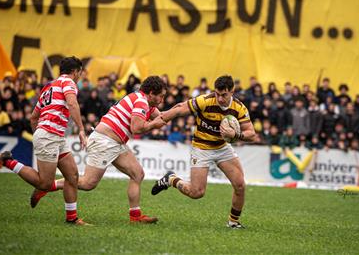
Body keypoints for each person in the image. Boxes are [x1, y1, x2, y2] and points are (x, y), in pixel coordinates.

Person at [30, 76, 167, 224]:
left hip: (114, 143)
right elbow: (137, 128)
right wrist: (154, 125)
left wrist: (187, 108)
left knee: (137, 174)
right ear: (151, 93)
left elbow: (162, 116)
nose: (162, 100)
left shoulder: (143, 101)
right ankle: (47, 186)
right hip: (105, 141)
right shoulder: (141, 101)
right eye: (161, 96)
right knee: (88, 183)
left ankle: (135, 217)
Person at [0, 56, 90, 225]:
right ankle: (8, 162)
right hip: (50, 135)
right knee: (44, 183)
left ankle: (72, 219)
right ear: (74, 71)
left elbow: (34, 117)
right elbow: (72, 104)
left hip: (53, 136)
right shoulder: (69, 83)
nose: (80, 76)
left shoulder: (49, 87)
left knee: (72, 176)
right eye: (80, 72)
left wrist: (39, 136)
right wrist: (81, 129)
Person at [151, 75, 256, 229]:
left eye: (224, 95)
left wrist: (236, 135)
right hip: (201, 147)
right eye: (217, 94)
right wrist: (160, 119)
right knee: (197, 192)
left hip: (222, 147)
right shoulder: (205, 100)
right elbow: (181, 108)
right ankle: (171, 179)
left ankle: (233, 222)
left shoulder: (239, 108)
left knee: (240, 185)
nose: (219, 99)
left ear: (232, 91)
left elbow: (251, 133)